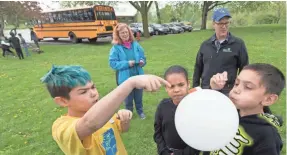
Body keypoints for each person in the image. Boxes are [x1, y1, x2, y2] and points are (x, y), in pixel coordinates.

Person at [40, 65, 170, 155]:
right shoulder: (61, 127)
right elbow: (90, 124)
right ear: (62, 101)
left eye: (93, 87)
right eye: (83, 92)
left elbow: (121, 129)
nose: (93, 93)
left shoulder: (103, 113)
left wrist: (124, 120)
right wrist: (130, 83)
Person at [204, 63, 284, 155]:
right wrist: (214, 90)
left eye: (248, 87)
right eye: (236, 83)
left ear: (268, 99)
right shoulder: (228, 111)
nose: (236, 90)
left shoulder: (267, 135)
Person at [192, 8, 249, 96]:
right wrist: (195, 87)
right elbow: (198, 67)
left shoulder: (238, 44)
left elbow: (244, 69)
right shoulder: (205, 45)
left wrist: (239, 88)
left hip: (227, 92)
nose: (224, 26)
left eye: (226, 23)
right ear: (214, 24)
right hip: (206, 89)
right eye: (220, 23)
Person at [154, 65, 201, 155]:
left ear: (188, 84)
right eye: (171, 86)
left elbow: (199, 138)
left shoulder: (195, 108)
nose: (176, 90)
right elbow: (158, 132)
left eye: (181, 85)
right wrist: (163, 151)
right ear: (166, 88)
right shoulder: (162, 106)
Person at [109, 23, 147, 119]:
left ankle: (140, 111)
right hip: (125, 77)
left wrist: (142, 61)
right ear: (118, 35)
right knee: (128, 98)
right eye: (122, 33)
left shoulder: (135, 44)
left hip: (138, 75)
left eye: (126, 32)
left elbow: (143, 57)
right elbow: (113, 63)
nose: (125, 34)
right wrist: (127, 63)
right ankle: (128, 113)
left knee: (138, 96)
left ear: (129, 33)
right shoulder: (116, 48)